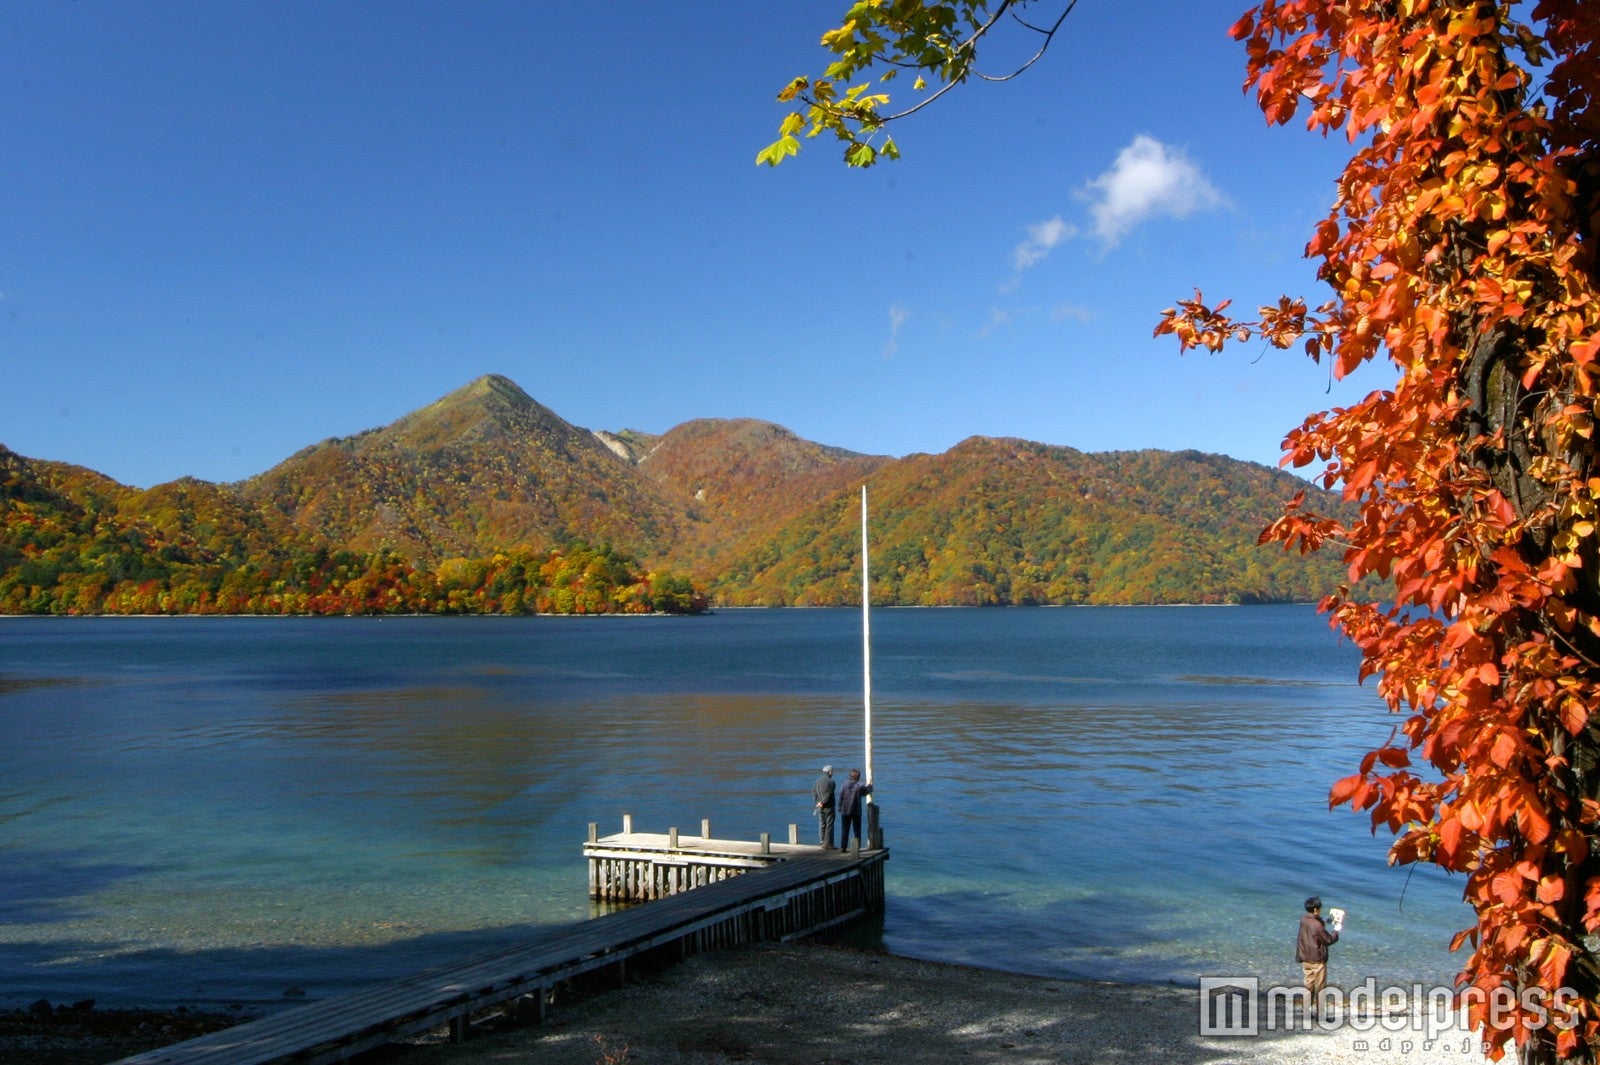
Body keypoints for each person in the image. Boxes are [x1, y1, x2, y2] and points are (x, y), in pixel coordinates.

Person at [1296, 895, 1340, 1017]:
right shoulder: (1317, 925)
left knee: (1308, 985)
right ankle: (1320, 1014)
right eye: (1319, 908)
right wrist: (1336, 930)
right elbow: (1328, 940)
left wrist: (1324, 921)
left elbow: (1314, 929)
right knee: (1320, 987)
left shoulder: (1304, 919)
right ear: (1316, 909)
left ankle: (1306, 1010)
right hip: (1317, 960)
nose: (1320, 910)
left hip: (1305, 957)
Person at [837, 768, 873, 851]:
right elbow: (866, 791)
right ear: (858, 777)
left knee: (845, 830)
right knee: (857, 831)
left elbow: (840, 797)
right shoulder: (859, 786)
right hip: (856, 811)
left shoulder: (844, 784)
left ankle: (843, 847)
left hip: (845, 811)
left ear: (850, 776)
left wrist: (839, 808)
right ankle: (857, 847)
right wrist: (870, 786)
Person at [812, 765, 836, 848]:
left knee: (822, 824)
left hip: (820, 807)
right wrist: (823, 802)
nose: (832, 773)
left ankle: (822, 842)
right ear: (829, 772)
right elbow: (828, 795)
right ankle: (828, 844)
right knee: (829, 825)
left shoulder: (817, 782)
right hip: (829, 807)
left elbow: (814, 793)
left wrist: (818, 802)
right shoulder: (831, 782)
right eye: (832, 771)